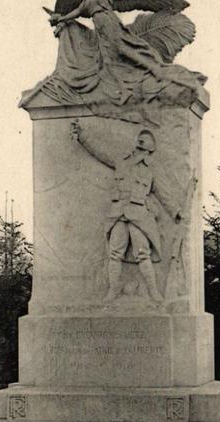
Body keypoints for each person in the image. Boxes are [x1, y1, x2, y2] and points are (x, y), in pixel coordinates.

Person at [71, 121, 181, 302]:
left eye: (144, 142)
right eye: (139, 141)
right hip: (118, 213)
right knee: (115, 253)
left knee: (142, 253)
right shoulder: (122, 161)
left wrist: (175, 211)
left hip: (139, 214)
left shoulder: (151, 170)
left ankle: (154, 291)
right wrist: (82, 137)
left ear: (150, 149)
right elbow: (100, 152)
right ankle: (112, 291)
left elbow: (163, 193)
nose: (140, 144)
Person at [51, 0, 168, 104]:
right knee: (108, 61)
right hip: (101, 29)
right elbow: (77, 12)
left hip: (109, 22)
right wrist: (61, 19)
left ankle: (155, 71)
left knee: (124, 48)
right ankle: (125, 91)